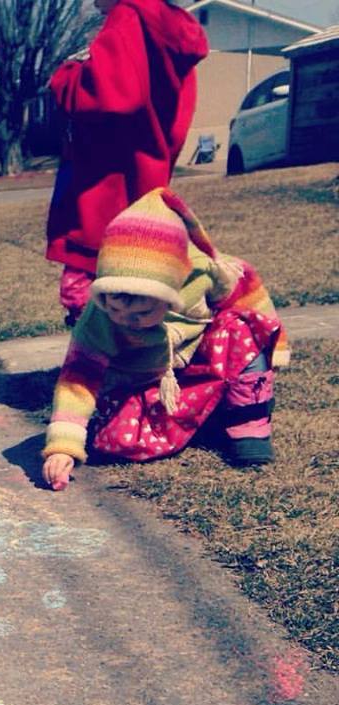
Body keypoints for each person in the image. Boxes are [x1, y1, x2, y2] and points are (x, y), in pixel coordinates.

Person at [41, 187, 290, 492]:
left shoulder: (204, 272)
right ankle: (206, 421)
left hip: (193, 364)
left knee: (242, 325)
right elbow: (77, 378)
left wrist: (276, 348)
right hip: (141, 384)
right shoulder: (98, 317)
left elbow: (248, 295)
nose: (125, 319)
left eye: (141, 313)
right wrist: (63, 447)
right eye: (115, 308)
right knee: (118, 442)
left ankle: (247, 422)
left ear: (171, 291)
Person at [45, 0, 208, 327]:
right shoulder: (163, 28)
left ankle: (99, 352)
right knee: (137, 297)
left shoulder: (128, 17)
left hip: (104, 196)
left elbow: (113, 94)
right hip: (139, 186)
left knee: (96, 303)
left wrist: (66, 77)